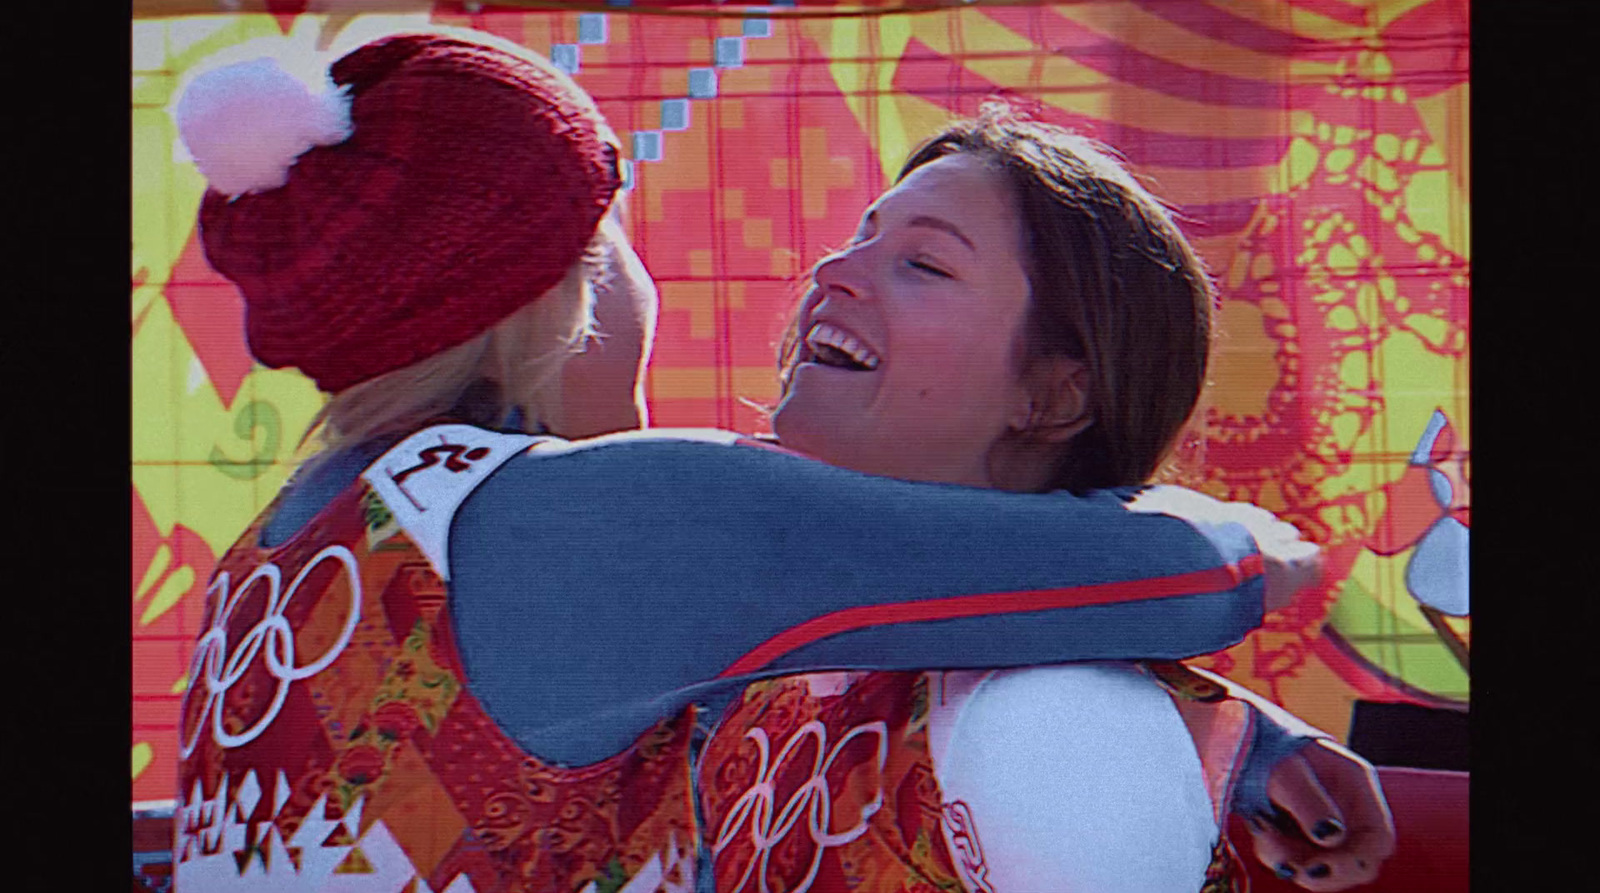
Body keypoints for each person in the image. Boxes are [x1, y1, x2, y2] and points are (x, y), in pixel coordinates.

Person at [167, 30, 1384, 893]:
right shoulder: (610, 525)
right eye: (616, 231)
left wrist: (1222, 724)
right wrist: (1261, 560)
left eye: (923, 259)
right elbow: (1167, 569)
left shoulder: (280, 552)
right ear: (554, 288)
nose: (827, 271)